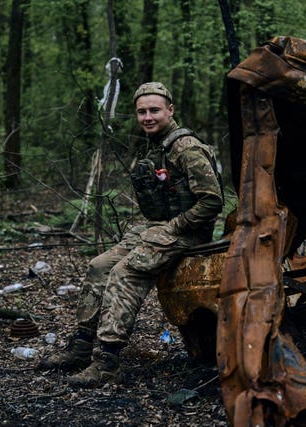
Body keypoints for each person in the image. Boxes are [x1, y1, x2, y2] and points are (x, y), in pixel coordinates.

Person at [39, 82, 224, 387]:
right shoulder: (156, 145)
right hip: (163, 229)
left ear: (170, 110)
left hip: (189, 234)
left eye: (154, 110)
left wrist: (176, 226)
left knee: (125, 273)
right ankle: (82, 348)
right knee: (99, 266)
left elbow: (212, 201)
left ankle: (107, 362)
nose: (148, 117)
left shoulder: (186, 147)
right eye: (142, 111)